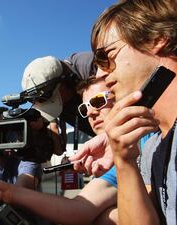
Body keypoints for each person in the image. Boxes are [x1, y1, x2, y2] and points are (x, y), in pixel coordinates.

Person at [70, 0, 177, 224]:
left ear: (157, 38)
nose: (100, 71)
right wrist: (124, 160)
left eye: (105, 56)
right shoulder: (151, 148)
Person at [0, 75, 122, 225]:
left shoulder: (138, 146)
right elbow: (79, 209)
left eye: (98, 101)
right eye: (84, 108)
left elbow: (78, 211)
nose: (90, 113)